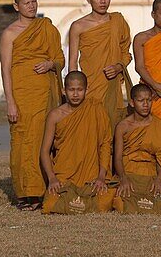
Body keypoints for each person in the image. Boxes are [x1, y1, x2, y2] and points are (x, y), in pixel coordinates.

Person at [0, 0, 64, 210]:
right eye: (26, 3)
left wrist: (50, 64)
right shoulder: (10, 33)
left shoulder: (47, 28)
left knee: (43, 141)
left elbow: (60, 59)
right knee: (22, 144)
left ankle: (42, 190)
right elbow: (5, 70)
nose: (32, 6)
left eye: (34, 1)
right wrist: (10, 102)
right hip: (22, 95)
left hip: (45, 95)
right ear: (16, 6)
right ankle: (24, 193)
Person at [40, 71, 114, 214]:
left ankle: (78, 202)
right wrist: (52, 178)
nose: (75, 94)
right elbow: (44, 151)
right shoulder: (55, 116)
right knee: (49, 205)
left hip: (91, 176)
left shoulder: (96, 109)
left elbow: (105, 144)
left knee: (105, 202)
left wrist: (101, 176)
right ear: (64, 91)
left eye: (79, 90)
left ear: (87, 90)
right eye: (71, 90)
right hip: (64, 175)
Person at [68, 0, 131, 126]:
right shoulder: (78, 26)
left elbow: (126, 54)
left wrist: (118, 67)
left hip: (111, 86)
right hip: (90, 86)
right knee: (90, 128)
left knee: (111, 129)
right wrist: (76, 89)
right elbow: (73, 62)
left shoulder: (117, 21)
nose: (103, 1)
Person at [112, 83, 161, 214]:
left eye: (148, 100)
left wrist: (159, 178)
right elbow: (117, 158)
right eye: (141, 101)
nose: (146, 104)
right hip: (129, 171)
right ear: (132, 102)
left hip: (150, 173)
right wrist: (123, 178)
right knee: (120, 202)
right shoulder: (123, 126)